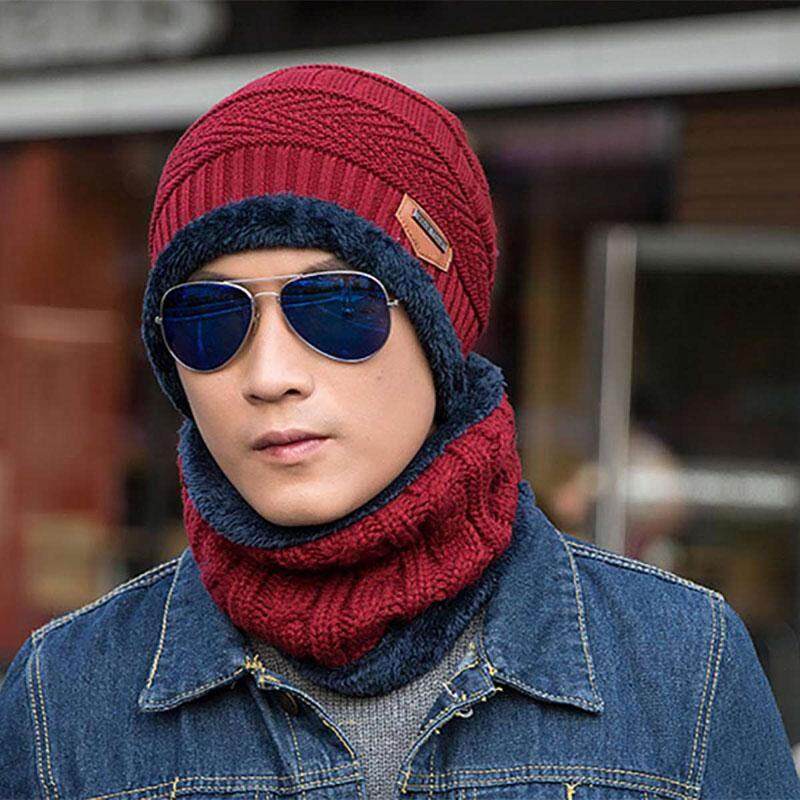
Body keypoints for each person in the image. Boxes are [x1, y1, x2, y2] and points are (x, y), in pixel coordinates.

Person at [1, 63, 798, 800]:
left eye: (335, 306)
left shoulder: (680, 667)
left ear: (441, 332)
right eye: (208, 319)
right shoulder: (61, 701)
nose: (269, 374)